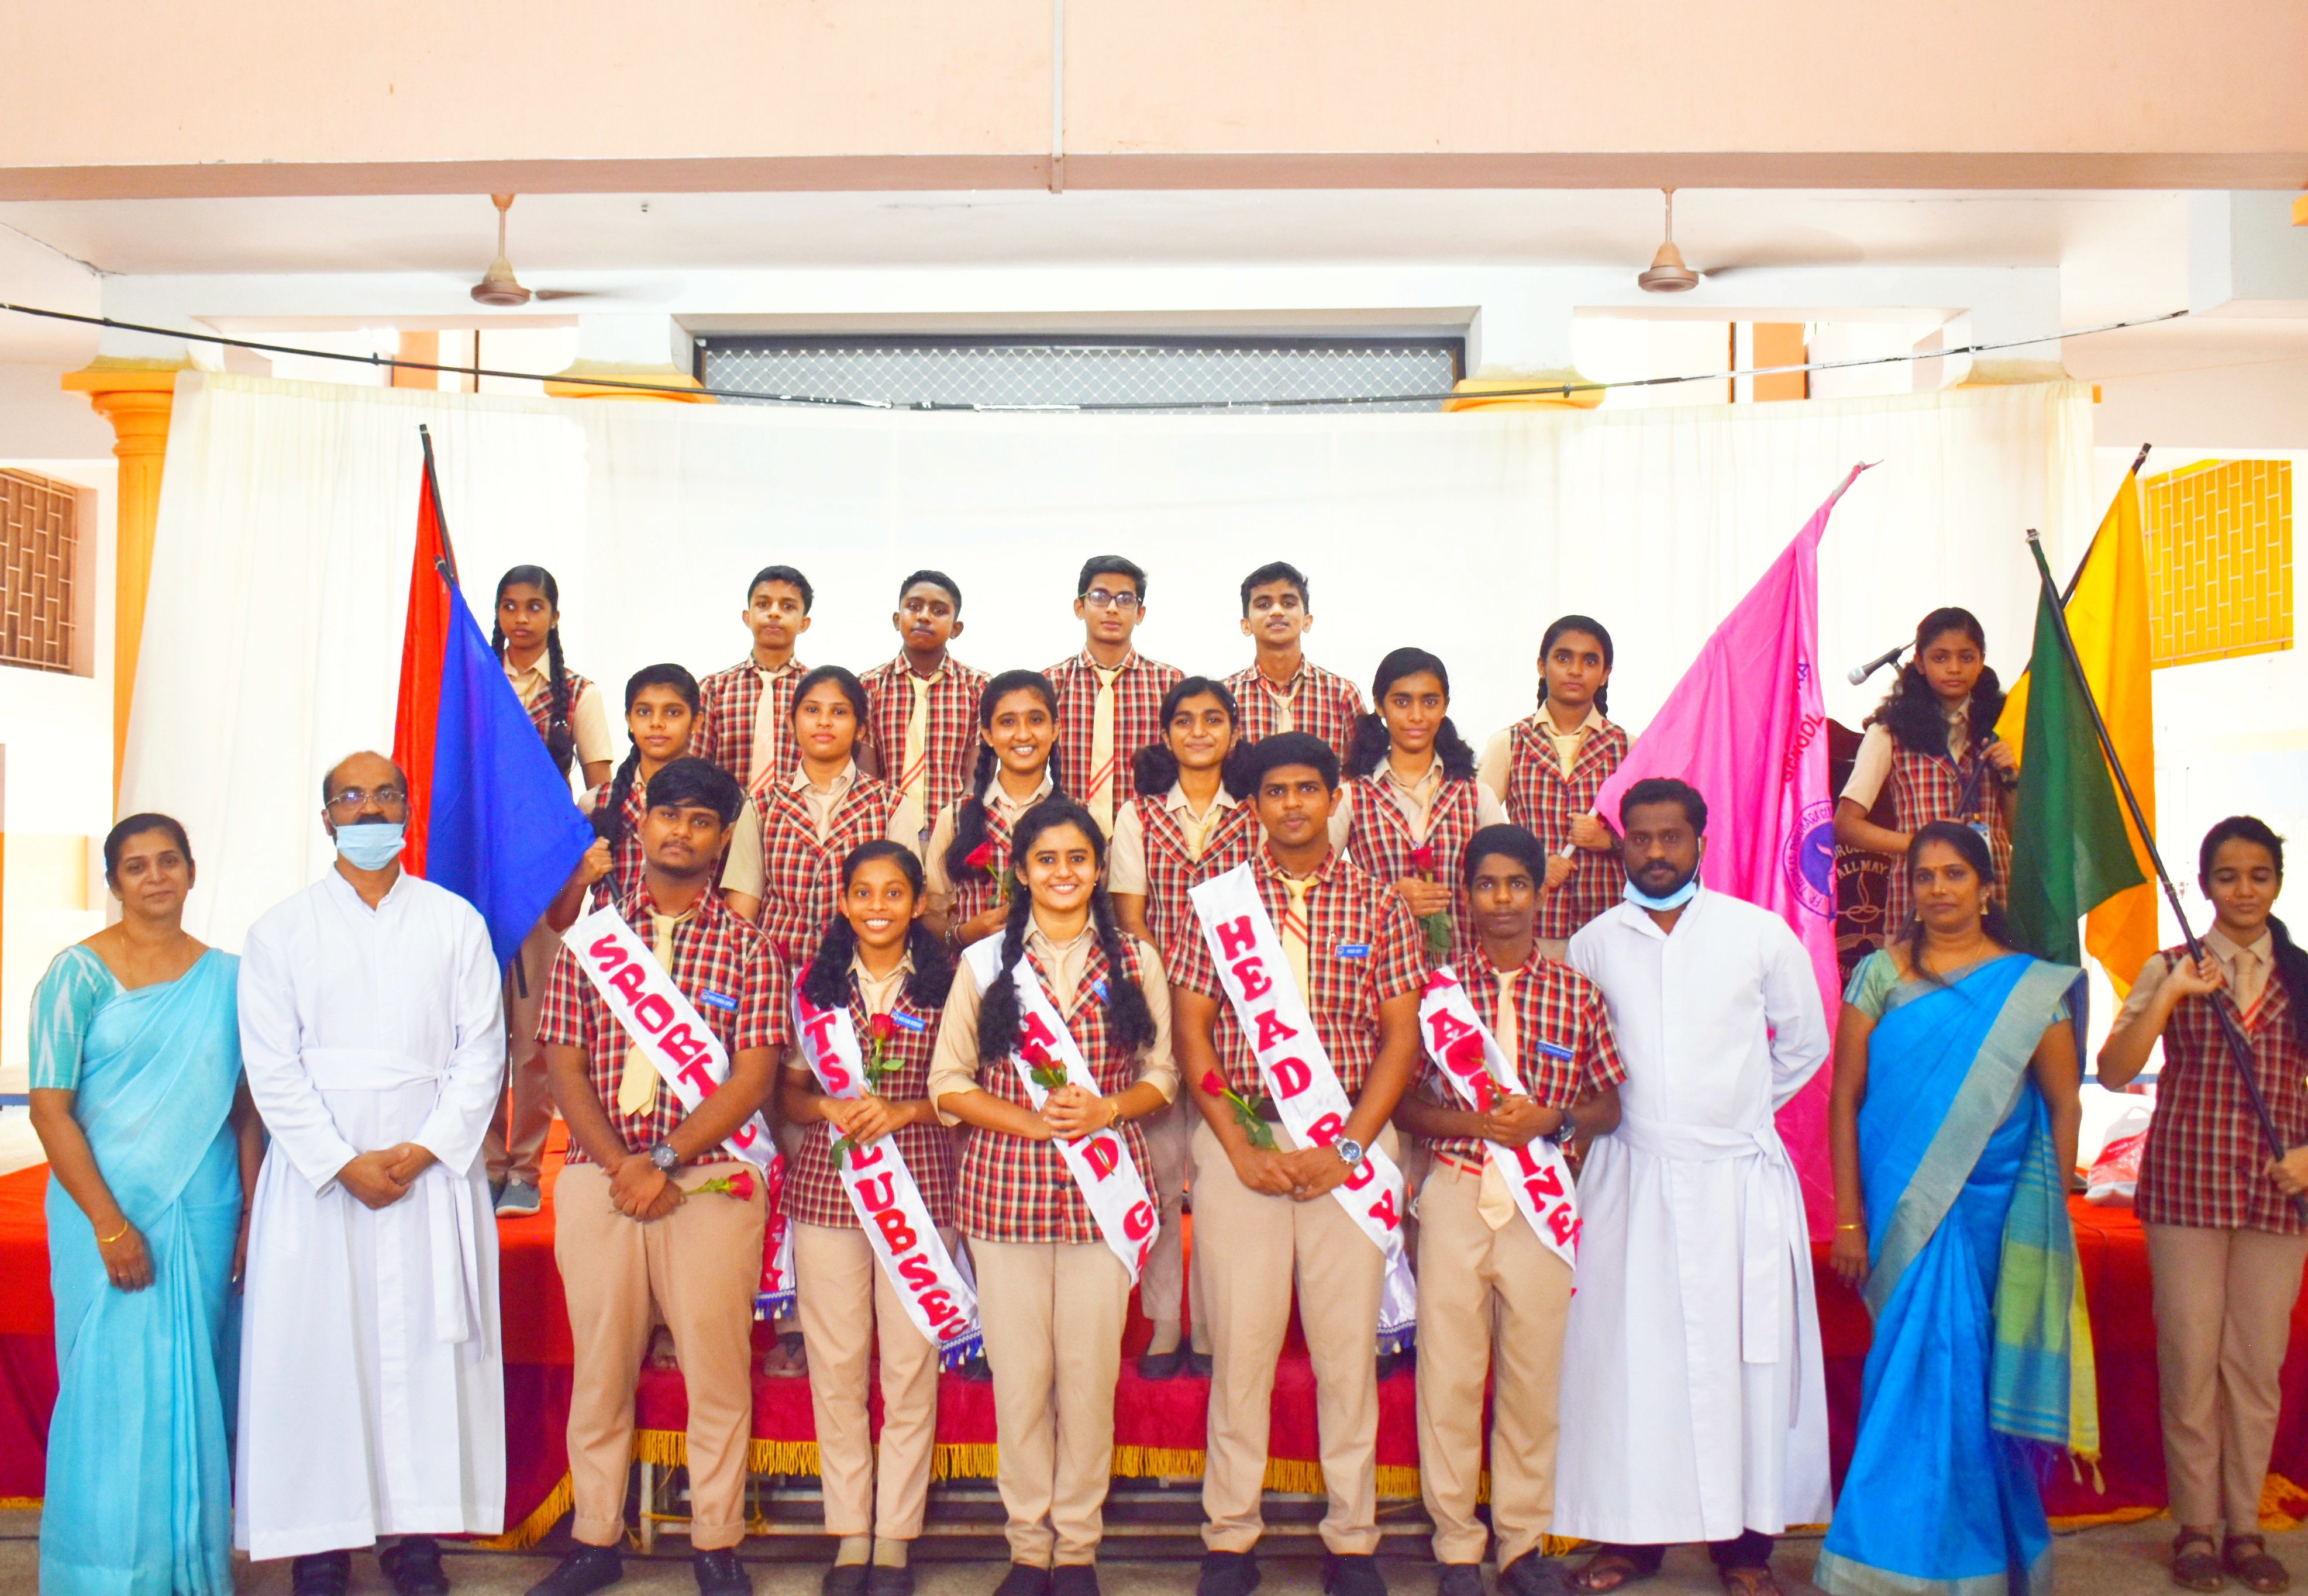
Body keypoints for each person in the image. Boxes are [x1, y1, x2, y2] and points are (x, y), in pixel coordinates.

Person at [236, 752, 507, 1595]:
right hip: (320, 1178)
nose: (369, 810)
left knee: (423, 1352)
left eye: (385, 794)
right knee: (320, 1351)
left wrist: (426, 1149)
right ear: (326, 819)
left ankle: (415, 1535)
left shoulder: (455, 922)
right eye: (350, 797)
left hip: (429, 1168)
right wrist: (339, 1161)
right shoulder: (280, 931)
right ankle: (320, 1541)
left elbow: (482, 1050)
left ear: (408, 809)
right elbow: (271, 1066)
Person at [1556, 778, 1831, 1596]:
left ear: (1700, 842)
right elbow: (1583, 1059)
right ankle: (1630, 1540)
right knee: (1629, 1359)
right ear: (1623, 843)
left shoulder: (1757, 933)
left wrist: (1730, 1115)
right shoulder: (1593, 944)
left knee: (1741, 1367)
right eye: (1639, 837)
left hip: (1735, 1183)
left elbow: (1805, 1044)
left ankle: (1743, 1549)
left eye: (1669, 836)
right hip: (1628, 1177)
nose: (1654, 852)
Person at [1167, 732, 1425, 1596]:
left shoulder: (1379, 903)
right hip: (1242, 1138)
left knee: (1346, 1355)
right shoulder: (1216, 905)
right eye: (1275, 791)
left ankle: (1351, 1540)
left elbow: (1400, 1039)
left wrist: (1348, 1146)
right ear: (1255, 806)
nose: (1291, 804)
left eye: (1307, 789)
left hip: (1348, 1140)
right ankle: (1229, 1537)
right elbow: (1193, 1034)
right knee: (1240, 1350)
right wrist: (1238, 1144)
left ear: (1333, 798)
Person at [527, 756, 788, 1596]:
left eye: (701, 820)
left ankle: (715, 1540)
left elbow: (752, 1078)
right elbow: (564, 1064)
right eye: (668, 814)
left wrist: (664, 1159)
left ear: (722, 837)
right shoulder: (593, 939)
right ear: (642, 823)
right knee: (600, 1369)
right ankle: (595, 1537)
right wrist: (623, 1165)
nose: (681, 830)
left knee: (717, 1371)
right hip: (600, 1181)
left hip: (708, 1183)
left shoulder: (750, 947)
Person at [1817, 822, 2090, 1596]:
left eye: (1954, 874)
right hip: (1903, 1206)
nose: (1938, 888)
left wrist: (2046, 1212)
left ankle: (1979, 1565)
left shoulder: (2029, 986)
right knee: (1907, 1377)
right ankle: (1884, 1563)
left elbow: (2063, 1103)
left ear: (1985, 886)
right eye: (1924, 875)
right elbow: (1844, 1098)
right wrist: (1848, 1218)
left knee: (1973, 1385)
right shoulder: (1879, 974)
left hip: (1995, 1211)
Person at [927, 797, 1180, 1596]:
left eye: (1077, 858)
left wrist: (1107, 1110)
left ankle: (1076, 1547)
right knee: (1020, 1383)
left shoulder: (1136, 959)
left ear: (1099, 870)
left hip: (1104, 1199)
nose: (1063, 872)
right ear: (1021, 871)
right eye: (1046, 859)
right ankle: (1027, 1546)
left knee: (1088, 1380)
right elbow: (947, 1082)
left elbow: (1164, 1076)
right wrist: (1033, 1122)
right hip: (1004, 1197)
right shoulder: (982, 963)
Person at [30, 815, 263, 1596]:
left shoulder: (228, 979)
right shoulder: (76, 975)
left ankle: (187, 1570)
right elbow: (50, 1110)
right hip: (103, 1211)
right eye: (136, 866)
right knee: (111, 1392)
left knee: (191, 1389)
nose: (156, 876)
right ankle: (101, 1576)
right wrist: (109, 1224)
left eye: (169, 861)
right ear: (114, 882)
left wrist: (250, 1214)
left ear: (192, 872)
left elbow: (245, 1110)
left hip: (204, 1208)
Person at [1393, 824, 1625, 1596]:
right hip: (1457, 1192)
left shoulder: (1576, 992)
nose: (1502, 899)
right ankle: (1457, 1545)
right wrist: (1480, 1123)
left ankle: (1522, 1543)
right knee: (1450, 1378)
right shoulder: (1432, 993)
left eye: (1516, 884)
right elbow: (1404, 1104)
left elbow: (1608, 1104)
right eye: (1487, 884)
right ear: (1465, 896)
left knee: (1532, 1380)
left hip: (1541, 1205)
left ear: (1538, 891)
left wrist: (1552, 1119)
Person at [2099, 816, 2308, 1596]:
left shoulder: (2302, 975)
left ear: (2277, 882)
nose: (2243, 890)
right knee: (2188, 1359)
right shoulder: (2168, 965)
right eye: (2227, 875)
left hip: (2277, 1194)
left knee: (2254, 1366)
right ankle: (2194, 1525)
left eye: (2258, 874)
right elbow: (2113, 1068)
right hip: (2185, 1189)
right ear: (2204, 884)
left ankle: (2244, 1527)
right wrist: (2169, 995)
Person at [783, 843, 963, 1596]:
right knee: (837, 1366)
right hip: (829, 1194)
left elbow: (969, 1094)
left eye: (894, 892)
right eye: (864, 892)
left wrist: (907, 1110)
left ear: (918, 903)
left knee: (909, 1368)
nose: (878, 906)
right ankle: (849, 1531)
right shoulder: (814, 986)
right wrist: (827, 1106)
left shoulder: (949, 985)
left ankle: (895, 1534)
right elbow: (789, 1094)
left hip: (922, 1193)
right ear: (844, 902)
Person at [1110, 677, 1261, 1379]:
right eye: (1184, 720)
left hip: (1244, 1013)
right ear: (1166, 734)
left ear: (1234, 731)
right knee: (1164, 1176)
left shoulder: (1257, 810)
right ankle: (1166, 1324)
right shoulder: (1138, 813)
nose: (1199, 731)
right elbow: (1130, 916)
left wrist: (1223, 992)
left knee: (1224, 1178)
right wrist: (1173, 994)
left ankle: (1214, 1327)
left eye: (1213, 719)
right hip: (1160, 1009)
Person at [488, 563, 616, 1216]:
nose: (521, 619)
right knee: (477, 1026)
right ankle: (484, 1162)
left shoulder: (578, 694)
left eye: (534, 606)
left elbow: (601, 789)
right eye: (510, 606)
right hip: (478, 872)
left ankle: (523, 1165)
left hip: (541, 876)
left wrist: (562, 841)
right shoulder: (474, 681)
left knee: (532, 1030)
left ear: (555, 616)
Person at [1832, 607, 2016, 940]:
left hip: (1993, 894)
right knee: (1916, 973)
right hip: (1919, 898)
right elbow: (1846, 825)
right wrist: (1922, 843)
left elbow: (2020, 832)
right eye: (1940, 658)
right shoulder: (1889, 732)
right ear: (1919, 662)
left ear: (1981, 661)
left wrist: (2011, 777)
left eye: (1966, 657)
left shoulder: (2004, 726)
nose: (1954, 668)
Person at [722, 664, 914, 968]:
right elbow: (741, 914)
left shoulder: (891, 805)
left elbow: (902, 905)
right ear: (791, 722)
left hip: (861, 976)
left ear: (860, 729)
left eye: (839, 712)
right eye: (812, 710)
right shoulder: (762, 807)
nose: (824, 722)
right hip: (775, 974)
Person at [1336, 647, 1507, 964]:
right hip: (1382, 972)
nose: (1417, 716)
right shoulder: (1351, 797)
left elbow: (1504, 881)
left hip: (1464, 976)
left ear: (1445, 707)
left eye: (1430, 702)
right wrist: (1387, 900)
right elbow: (1321, 889)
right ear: (1379, 706)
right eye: (1402, 702)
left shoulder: (1475, 796)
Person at [1476, 615, 1628, 947]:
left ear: (1605, 674)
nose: (1575, 670)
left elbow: (1649, 834)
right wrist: (1533, 864)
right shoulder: (1510, 743)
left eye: (1590, 661)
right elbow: (1479, 832)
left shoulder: (1628, 747)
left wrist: (1609, 841)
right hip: (1533, 928)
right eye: (1563, 658)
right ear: (1542, 667)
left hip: (1610, 928)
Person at [567, 665, 766, 916]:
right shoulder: (596, 803)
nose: (657, 723)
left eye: (673, 713)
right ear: (629, 720)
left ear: (696, 721)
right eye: (644, 712)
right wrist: (582, 877)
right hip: (611, 940)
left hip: (695, 939)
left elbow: (740, 905)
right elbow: (560, 919)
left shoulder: (726, 801)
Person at [1043, 555, 1183, 837]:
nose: (1112, 608)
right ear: (1079, 607)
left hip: (1151, 835)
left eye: (1125, 599)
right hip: (1069, 836)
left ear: (1140, 613)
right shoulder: (1050, 684)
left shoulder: (1170, 684)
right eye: (1099, 597)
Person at [926, 670, 1064, 949]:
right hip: (974, 972)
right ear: (988, 735)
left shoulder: (1079, 817)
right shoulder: (955, 817)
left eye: (1036, 720)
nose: (1023, 734)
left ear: (1055, 730)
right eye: (1008, 722)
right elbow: (929, 914)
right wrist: (963, 934)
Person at [861, 569, 991, 846]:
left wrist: (960, 824)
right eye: (914, 607)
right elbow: (867, 778)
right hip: (884, 832)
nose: (924, 616)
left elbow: (980, 771)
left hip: (953, 835)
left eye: (939, 611)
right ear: (897, 619)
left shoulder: (979, 688)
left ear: (956, 629)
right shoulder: (868, 687)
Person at [1222, 561, 1365, 769]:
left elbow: (1365, 772)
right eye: (1264, 605)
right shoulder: (1225, 697)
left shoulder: (1342, 695)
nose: (1277, 611)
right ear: (1246, 625)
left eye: (1288, 603)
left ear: (1307, 621)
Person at [695, 564, 816, 791]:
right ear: (748, 617)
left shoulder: (817, 692)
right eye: (763, 604)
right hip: (729, 812)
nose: (774, 613)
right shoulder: (713, 690)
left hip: (800, 812)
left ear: (804, 623)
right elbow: (696, 771)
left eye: (788, 606)